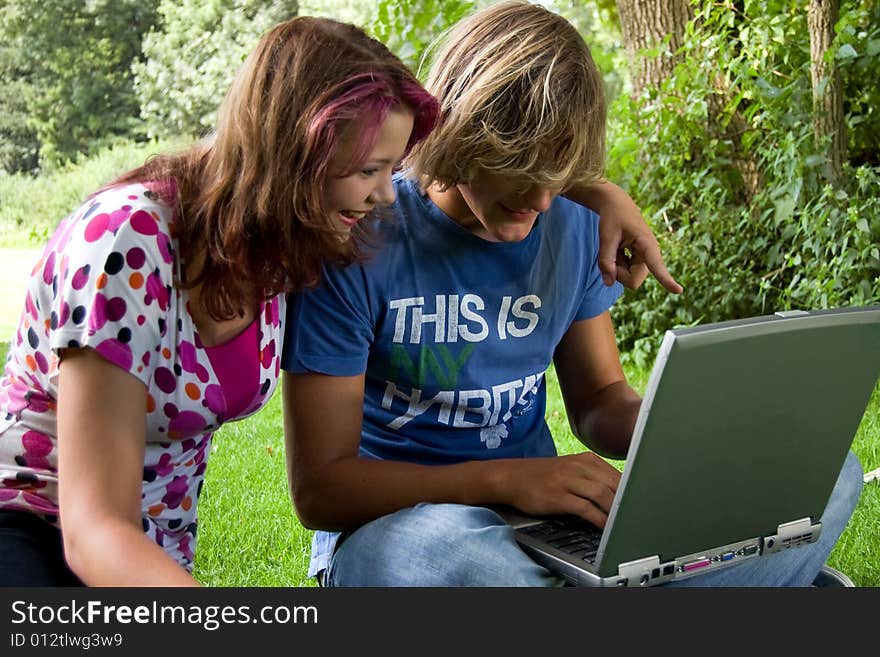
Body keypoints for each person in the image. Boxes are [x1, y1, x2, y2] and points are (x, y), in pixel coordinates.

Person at [280, 0, 863, 587]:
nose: (538, 202)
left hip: (547, 525)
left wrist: (690, 437)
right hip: (407, 528)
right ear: (463, 136)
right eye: (520, 172)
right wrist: (506, 480)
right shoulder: (357, 236)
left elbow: (599, 398)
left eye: (557, 179)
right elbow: (321, 490)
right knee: (473, 568)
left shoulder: (575, 222)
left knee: (828, 474)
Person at [0, 15, 441, 586]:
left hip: (151, 551)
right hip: (34, 528)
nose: (385, 195)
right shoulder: (126, 241)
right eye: (369, 170)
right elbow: (93, 529)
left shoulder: (286, 248)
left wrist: (588, 194)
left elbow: (465, 184)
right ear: (293, 152)